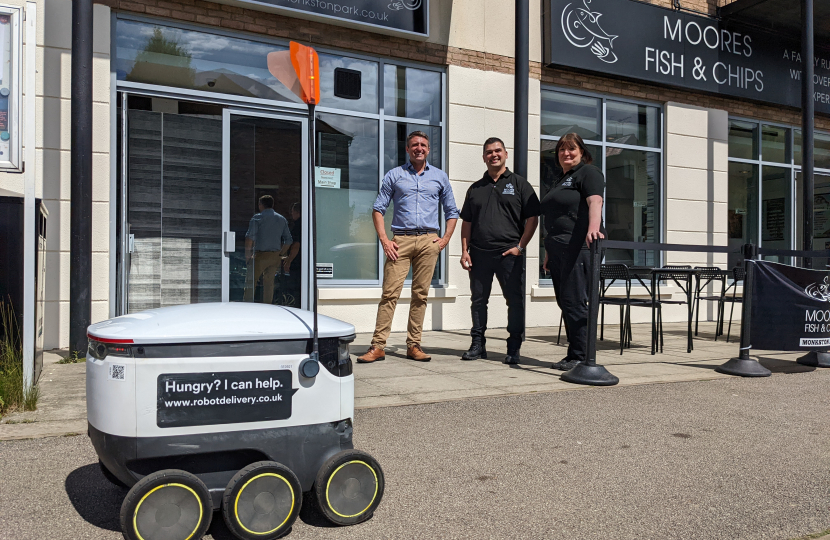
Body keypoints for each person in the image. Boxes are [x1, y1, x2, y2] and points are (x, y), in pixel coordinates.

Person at [356, 131, 459, 363]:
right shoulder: (395, 175)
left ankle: (414, 345)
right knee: (389, 294)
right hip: (399, 241)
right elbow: (378, 209)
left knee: (420, 295)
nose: (419, 148)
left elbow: (452, 212)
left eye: (423, 144)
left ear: (429, 149)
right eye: (414, 145)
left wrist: (444, 240)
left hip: (428, 241)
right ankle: (378, 346)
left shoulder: (440, 177)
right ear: (407, 149)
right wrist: (385, 240)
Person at [459, 137, 540, 364]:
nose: (493, 155)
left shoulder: (520, 184)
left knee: (514, 302)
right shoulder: (475, 188)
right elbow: (466, 222)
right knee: (478, 301)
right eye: (489, 152)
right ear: (484, 157)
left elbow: (533, 218)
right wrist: (464, 251)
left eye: (498, 151)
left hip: (508, 254)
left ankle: (514, 348)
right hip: (479, 254)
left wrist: (520, 247)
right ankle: (478, 345)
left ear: (505, 154)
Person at [540, 133, 606, 371]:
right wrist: (548, 252)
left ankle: (583, 355)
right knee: (566, 302)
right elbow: (556, 218)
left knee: (576, 302)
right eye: (561, 150)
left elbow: (595, 201)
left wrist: (593, 230)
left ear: (582, 151)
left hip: (578, 247)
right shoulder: (560, 179)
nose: (566, 153)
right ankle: (573, 354)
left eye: (571, 149)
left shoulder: (588, 172)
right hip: (558, 250)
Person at [244, 195, 292, 305]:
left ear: (261, 205)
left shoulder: (257, 218)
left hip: (260, 255)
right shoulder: (281, 219)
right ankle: (268, 306)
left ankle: (246, 305)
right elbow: (288, 240)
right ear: (272, 205)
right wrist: (281, 253)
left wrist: (248, 254)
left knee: (251, 281)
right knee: (269, 284)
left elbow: (250, 238)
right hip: (275, 256)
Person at [282, 202, 302, 308]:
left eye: (293, 212)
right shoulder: (307, 224)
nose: (291, 214)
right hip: (303, 262)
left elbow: (296, 245)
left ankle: (297, 306)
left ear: (297, 213)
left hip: (297, 263)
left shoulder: (298, 226)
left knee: (295, 288)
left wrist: (289, 261)